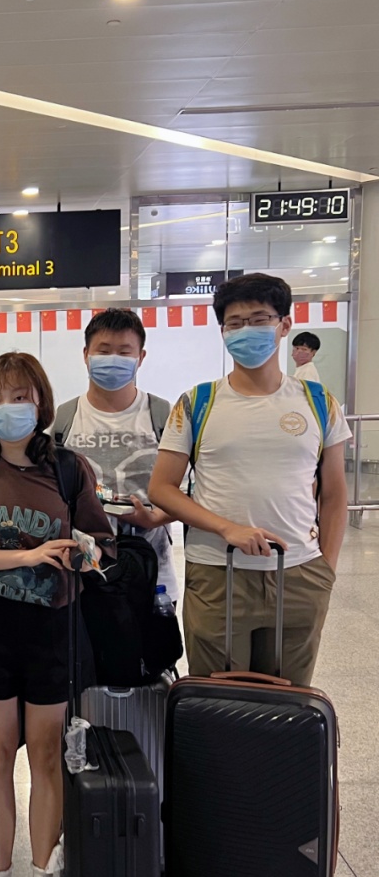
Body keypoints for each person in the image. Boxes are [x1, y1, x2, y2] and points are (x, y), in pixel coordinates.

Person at [0, 352, 113, 877]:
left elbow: (101, 544)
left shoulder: (69, 469)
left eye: (19, 396)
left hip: (52, 630)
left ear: (40, 402)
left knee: (46, 757)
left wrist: (86, 555)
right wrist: (27, 555)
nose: (6, 408)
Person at [149, 273, 349, 687]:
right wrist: (227, 528)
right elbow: (161, 489)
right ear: (222, 331)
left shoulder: (318, 402)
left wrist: (325, 570)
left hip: (299, 573)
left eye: (259, 320)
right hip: (216, 573)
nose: (246, 331)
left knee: (288, 701)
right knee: (218, 701)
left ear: (284, 325)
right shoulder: (197, 402)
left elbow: (334, 495)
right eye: (235, 323)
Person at [55, 307, 178, 602]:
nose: (113, 359)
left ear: (141, 357)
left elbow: (187, 491)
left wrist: (153, 518)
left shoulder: (162, 414)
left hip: (153, 575)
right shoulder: (65, 418)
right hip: (82, 573)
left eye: (124, 352)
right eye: (104, 350)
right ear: (86, 354)